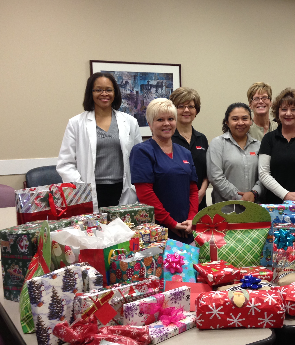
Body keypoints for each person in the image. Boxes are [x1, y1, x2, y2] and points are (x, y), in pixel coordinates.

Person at [57, 72, 142, 212]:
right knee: (93, 232)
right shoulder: (76, 123)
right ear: (91, 93)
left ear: (115, 92)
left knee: (123, 231)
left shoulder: (130, 122)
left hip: (123, 188)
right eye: (98, 90)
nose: (104, 94)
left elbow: (138, 159)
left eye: (108, 89)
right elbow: (65, 163)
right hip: (90, 189)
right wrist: (81, 188)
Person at [130, 99, 199, 243]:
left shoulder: (185, 152)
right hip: (156, 230)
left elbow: (193, 189)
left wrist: (192, 219)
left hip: (186, 228)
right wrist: (171, 223)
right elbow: (145, 195)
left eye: (171, 119)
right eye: (160, 119)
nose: (166, 123)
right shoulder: (142, 151)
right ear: (149, 124)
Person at [207, 103, 262, 204]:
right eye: (235, 119)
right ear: (227, 122)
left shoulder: (258, 145)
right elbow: (215, 177)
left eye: (245, 118)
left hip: (255, 208)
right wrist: (240, 198)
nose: (240, 123)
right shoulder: (217, 144)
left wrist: (254, 193)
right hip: (226, 209)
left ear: (251, 121)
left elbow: (263, 175)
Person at [169, 87, 209, 210]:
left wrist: (202, 191)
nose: (186, 110)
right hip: (173, 201)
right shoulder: (167, 138)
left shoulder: (201, 138)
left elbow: (207, 171)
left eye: (191, 106)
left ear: (196, 111)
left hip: (199, 202)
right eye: (181, 106)